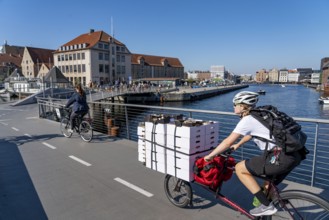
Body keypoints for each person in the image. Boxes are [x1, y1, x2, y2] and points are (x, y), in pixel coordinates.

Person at [204, 91, 302, 217]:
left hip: (280, 158)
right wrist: (239, 144)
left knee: (240, 168)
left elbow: (227, 142)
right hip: (294, 154)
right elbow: (252, 133)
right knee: (267, 185)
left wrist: (210, 156)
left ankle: (267, 206)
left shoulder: (247, 120)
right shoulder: (260, 114)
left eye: (235, 104)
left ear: (243, 106)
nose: (233, 107)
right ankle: (265, 208)